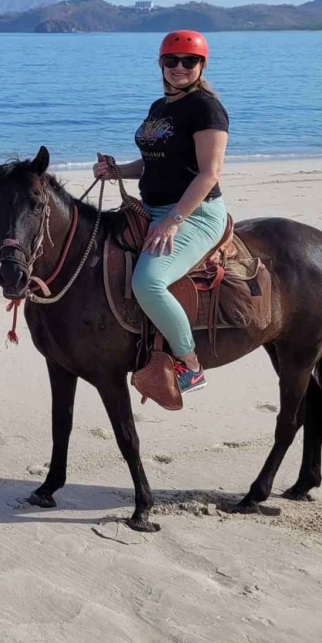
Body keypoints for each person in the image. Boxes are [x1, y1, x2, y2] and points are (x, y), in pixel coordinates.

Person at [93, 30, 229, 395]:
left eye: (189, 61)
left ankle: (192, 365)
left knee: (147, 282)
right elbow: (155, 162)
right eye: (172, 60)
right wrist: (118, 170)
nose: (179, 68)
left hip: (195, 213)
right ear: (161, 63)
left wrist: (172, 221)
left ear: (202, 64)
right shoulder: (160, 107)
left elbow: (209, 173)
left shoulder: (206, 108)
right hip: (151, 207)